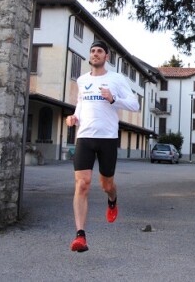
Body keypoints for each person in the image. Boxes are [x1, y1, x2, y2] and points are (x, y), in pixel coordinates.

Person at [65, 40, 140, 253]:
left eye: (99, 51)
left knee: (107, 185)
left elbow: (135, 105)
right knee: (82, 184)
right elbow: (81, 104)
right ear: (90, 56)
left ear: (106, 57)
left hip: (107, 138)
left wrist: (113, 99)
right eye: (93, 51)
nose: (95, 54)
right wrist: (74, 117)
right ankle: (80, 235)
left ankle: (112, 199)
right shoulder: (82, 80)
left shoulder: (116, 79)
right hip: (85, 137)